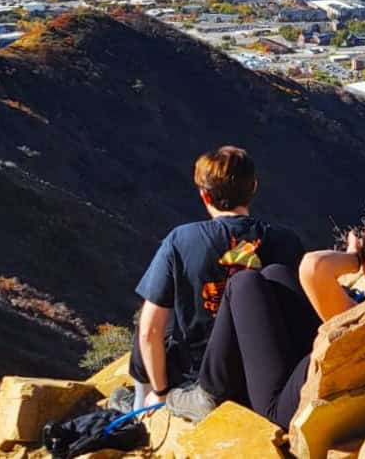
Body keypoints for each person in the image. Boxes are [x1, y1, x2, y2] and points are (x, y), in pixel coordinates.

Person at [170, 212, 365, 426]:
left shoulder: (363, 320)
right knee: (275, 275)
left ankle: (208, 393)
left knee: (243, 283)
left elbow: (313, 267)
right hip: (321, 377)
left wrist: (355, 257)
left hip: (280, 408)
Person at [129, 147, 304, 411]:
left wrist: (161, 391)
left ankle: (143, 406)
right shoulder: (285, 240)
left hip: (202, 380)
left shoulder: (180, 240)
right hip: (270, 373)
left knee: (150, 317)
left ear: (204, 195)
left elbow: (149, 331)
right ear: (253, 187)